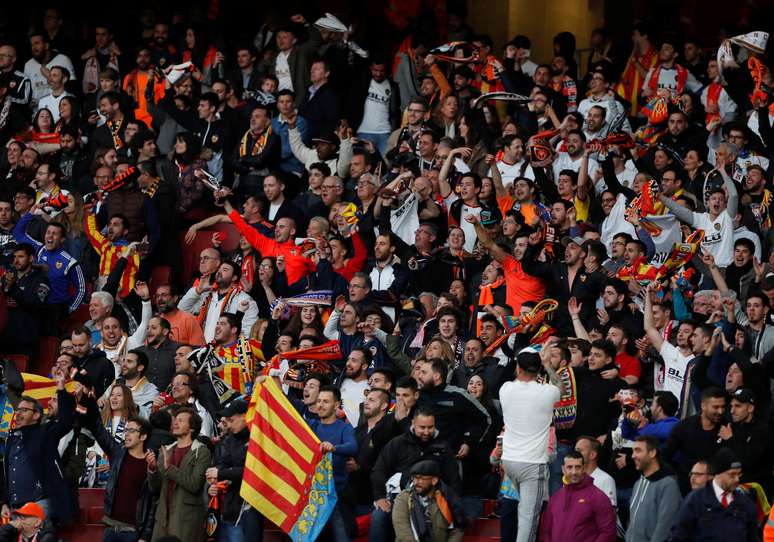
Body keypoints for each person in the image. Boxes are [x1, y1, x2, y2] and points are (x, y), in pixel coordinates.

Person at [500, 349, 562, 542]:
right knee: (528, 518)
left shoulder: (506, 388)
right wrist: (548, 366)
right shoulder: (548, 392)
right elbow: (561, 387)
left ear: (518, 368)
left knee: (522, 512)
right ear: (539, 370)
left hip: (509, 461)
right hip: (532, 465)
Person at [0, 372, 76, 525]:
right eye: (18, 410)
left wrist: (61, 388)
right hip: (14, 508)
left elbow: (66, 420)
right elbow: (4, 473)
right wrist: (3, 503)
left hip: (38, 503)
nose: (18, 414)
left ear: (36, 415)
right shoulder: (11, 438)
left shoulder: (46, 432)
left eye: (24, 410)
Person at [86, 412, 156, 542]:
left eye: (132, 430)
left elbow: (152, 503)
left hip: (132, 533)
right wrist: (90, 403)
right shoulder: (118, 453)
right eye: (126, 430)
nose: (127, 433)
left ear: (143, 436)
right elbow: (99, 431)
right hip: (110, 528)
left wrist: (145, 536)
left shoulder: (150, 465)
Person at [147, 407, 212, 542]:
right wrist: (152, 470)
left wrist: (169, 468)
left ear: (192, 428)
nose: (175, 423)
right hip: (163, 518)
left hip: (186, 520)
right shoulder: (166, 450)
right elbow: (155, 488)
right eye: (175, 420)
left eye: (181, 421)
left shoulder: (201, 451)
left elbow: (194, 484)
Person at [670, 448, 758, 541]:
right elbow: (678, 536)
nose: (737, 479)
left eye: (739, 474)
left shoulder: (746, 504)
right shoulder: (694, 501)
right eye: (732, 474)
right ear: (717, 473)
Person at [206, 398, 263, 541]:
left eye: (231, 419)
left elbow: (252, 471)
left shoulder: (258, 437)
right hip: (230, 508)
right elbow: (222, 465)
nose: (229, 424)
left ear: (244, 416)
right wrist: (215, 482)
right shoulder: (229, 440)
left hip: (251, 508)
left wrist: (222, 473)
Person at [308, 385, 357, 542]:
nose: (320, 405)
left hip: (336, 494)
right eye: (319, 401)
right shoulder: (311, 426)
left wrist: (334, 448)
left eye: (326, 402)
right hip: (311, 496)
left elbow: (353, 446)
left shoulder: (345, 428)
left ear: (336, 405)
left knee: (341, 535)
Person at [539, 451, 616, 542]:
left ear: (583, 468)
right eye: (569, 467)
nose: (574, 472)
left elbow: (608, 532)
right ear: (563, 469)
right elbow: (545, 531)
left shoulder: (598, 497)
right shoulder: (555, 498)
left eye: (578, 467)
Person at [391, 459, 465, 542]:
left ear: (434, 481)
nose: (416, 482)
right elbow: (403, 533)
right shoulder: (403, 498)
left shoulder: (447, 499)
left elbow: (457, 530)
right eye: (414, 478)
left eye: (421, 478)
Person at [626, 436, 681, 542]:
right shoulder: (638, 483)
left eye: (638, 451)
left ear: (652, 453)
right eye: (633, 451)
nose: (633, 456)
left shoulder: (668, 484)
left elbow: (665, 525)